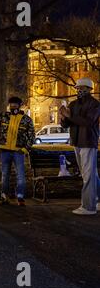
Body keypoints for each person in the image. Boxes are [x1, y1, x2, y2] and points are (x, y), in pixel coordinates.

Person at [0, 96, 35, 206]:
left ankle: (20, 197)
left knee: (20, 176)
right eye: (11, 105)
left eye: (15, 105)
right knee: (5, 175)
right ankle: (4, 196)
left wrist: (25, 149)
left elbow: (31, 136)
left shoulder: (26, 120)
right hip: (5, 151)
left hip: (18, 152)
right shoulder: (4, 116)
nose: (13, 107)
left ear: (19, 106)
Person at [60, 77, 100, 215]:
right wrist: (63, 117)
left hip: (88, 141)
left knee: (88, 174)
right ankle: (97, 200)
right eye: (77, 88)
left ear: (89, 89)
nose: (79, 90)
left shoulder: (95, 104)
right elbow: (66, 125)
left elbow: (88, 122)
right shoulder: (73, 104)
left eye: (82, 87)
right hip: (77, 141)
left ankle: (88, 207)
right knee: (89, 173)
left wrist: (69, 116)